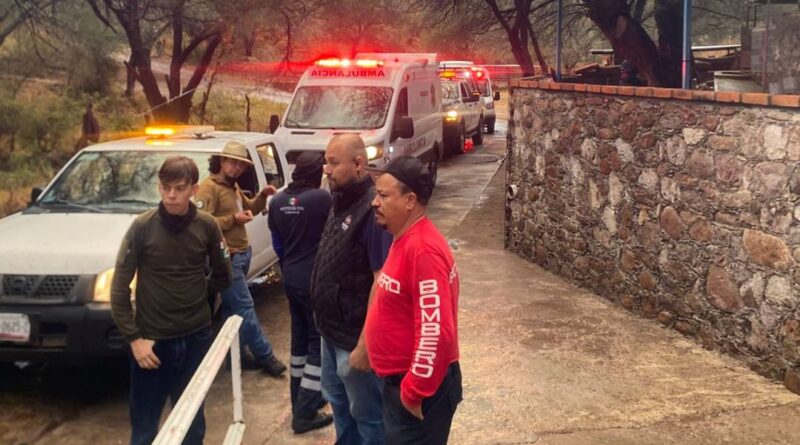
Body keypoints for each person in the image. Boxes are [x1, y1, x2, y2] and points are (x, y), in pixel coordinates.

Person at [110, 156, 232, 445]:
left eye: (179, 188)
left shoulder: (207, 226)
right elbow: (118, 288)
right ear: (159, 187)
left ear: (194, 189)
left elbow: (223, 275)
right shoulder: (142, 227)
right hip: (152, 343)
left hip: (195, 338)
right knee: (144, 428)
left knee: (192, 423)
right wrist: (134, 339)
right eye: (166, 188)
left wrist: (195, 293)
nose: (171, 195)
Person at [365, 155, 462, 445]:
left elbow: (436, 331)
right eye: (376, 194)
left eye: (383, 195)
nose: (374, 202)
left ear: (410, 201)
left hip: (420, 389)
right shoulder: (404, 238)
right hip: (401, 382)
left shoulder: (422, 250)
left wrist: (412, 392)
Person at [310, 134, 393, 445]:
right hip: (331, 332)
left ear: (359, 164)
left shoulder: (372, 211)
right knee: (338, 402)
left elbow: (381, 281)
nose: (326, 169)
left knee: (368, 414)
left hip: (354, 338)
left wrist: (365, 344)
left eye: (333, 162)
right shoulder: (340, 199)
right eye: (325, 161)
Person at [194, 141, 287, 377]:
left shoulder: (232, 186)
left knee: (232, 311)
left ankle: (236, 355)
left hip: (242, 254)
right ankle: (266, 356)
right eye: (233, 163)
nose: (237, 168)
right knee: (245, 307)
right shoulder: (208, 188)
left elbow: (250, 209)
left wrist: (262, 196)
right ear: (221, 161)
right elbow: (201, 223)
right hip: (227, 258)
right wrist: (233, 220)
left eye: (241, 165)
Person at [268, 151, 334, 434]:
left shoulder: (277, 201)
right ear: (316, 172)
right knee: (318, 342)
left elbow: (278, 244)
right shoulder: (321, 199)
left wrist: (289, 267)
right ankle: (306, 411)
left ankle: (300, 399)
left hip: (291, 277)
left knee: (300, 341)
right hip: (314, 279)